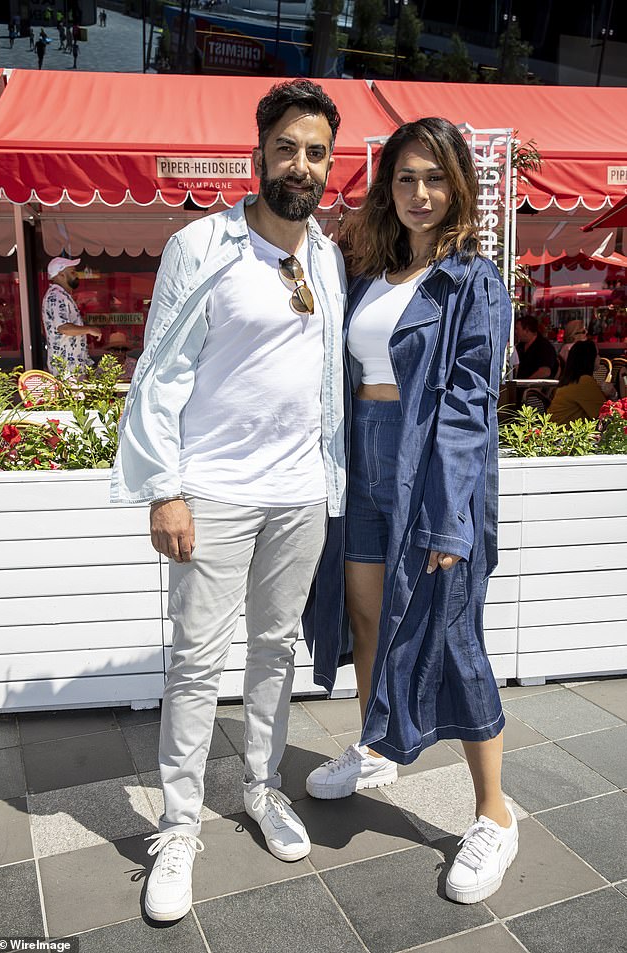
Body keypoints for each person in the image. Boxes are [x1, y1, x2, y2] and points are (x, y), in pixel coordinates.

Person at [110, 79, 346, 922]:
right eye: (286, 147)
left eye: (315, 151)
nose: (300, 164)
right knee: (199, 660)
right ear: (260, 154)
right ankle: (176, 826)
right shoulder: (201, 245)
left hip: (299, 492)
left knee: (276, 650)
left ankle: (258, 785)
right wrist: (164, 489)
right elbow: (159, 374)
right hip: (211, 489)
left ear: (329, 164)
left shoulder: (326, 255)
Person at [304, 118, 517, 905]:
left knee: (450, 633)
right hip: (361, 455)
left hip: (429, 463)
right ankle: (375, 746)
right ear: (387, 186)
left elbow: (467, 408)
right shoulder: (371, 270)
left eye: (433, 178)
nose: (419, 193)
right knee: (364, 614)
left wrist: (450, 514)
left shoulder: (472, 282)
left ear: (456, 184)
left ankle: (494, 811)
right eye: (404, 178)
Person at [42, 257, 101, 374]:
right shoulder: (56, 296)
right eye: (72, 272)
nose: (76, 275)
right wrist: (89, 329)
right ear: (61, 275)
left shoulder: (61, 296)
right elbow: (64, 328)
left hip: (71, 366)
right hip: (66, 368)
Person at [548, 340, 606, 425]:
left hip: (555, 432)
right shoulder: (584, 382)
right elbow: (604, 415)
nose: (599, 358)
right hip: (566, 436)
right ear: (589, 358)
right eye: (597, 354)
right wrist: (613, 395)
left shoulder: (571, 380)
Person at [515, 314, 558, 379]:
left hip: (535, 387)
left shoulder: (544, 347)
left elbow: (545, 371)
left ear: (526, 330)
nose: (515, 332)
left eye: (517, 329)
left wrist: (527, 383)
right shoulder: (520, 347)